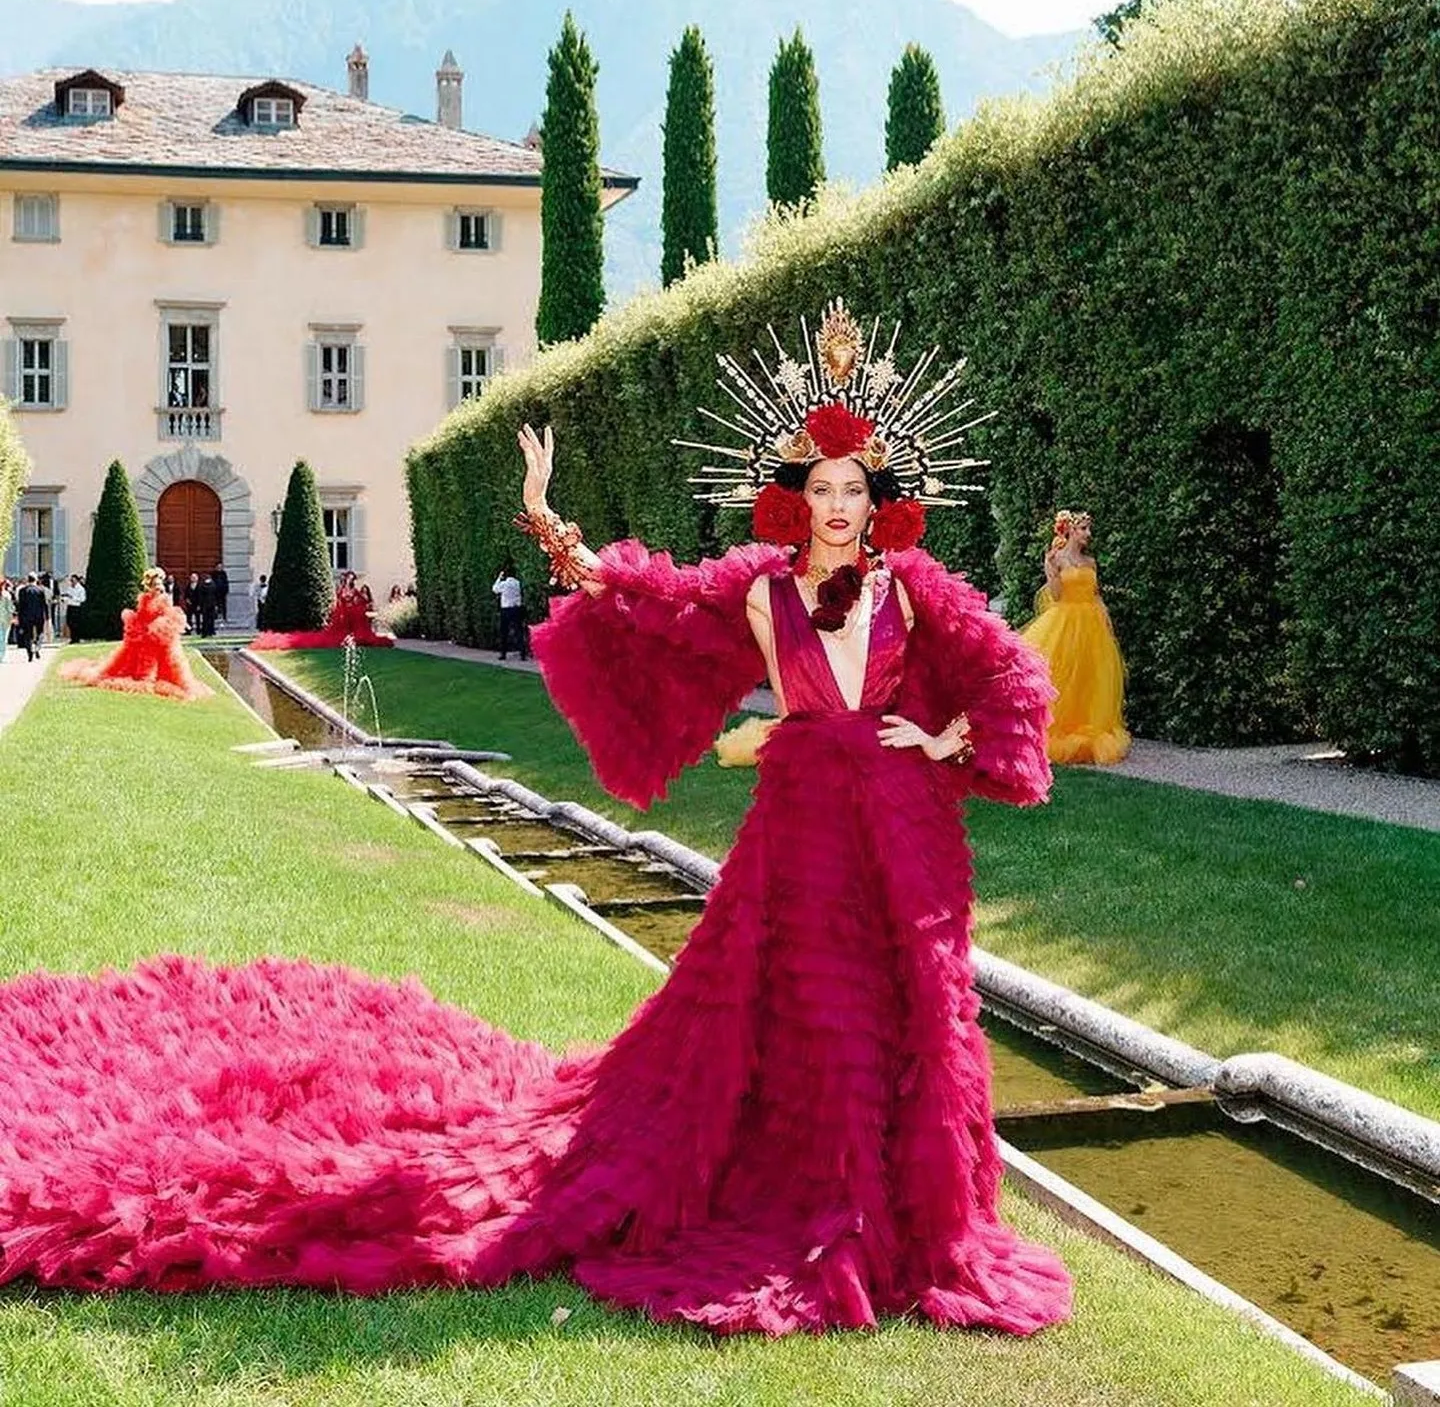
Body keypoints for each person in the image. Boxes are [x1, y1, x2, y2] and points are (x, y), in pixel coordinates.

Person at [0, 307, 1069, 1342]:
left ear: (880, 499)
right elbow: (639, 598)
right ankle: (822, 1203)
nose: (838, 506)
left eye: (855, 490)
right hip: (800, 837)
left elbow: (1014, 679)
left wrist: (946, 744)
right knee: (803, 1006)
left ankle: (921, 1219)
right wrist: (549, 516)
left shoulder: (916, 591)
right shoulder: (757, 593)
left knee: (916, 1007)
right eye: (821, 488)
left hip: (906, 831)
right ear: (794, 498)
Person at [1019, 510, 1131, 764]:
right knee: (1062, 671)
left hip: (1091, 623)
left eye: (1088, 529)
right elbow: (1057, 596)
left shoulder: (1090, 562)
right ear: (1069, 530)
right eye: (1083, 529)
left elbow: (1095, 594)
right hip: (1066, 622)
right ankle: (1055, 727)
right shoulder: (1057, 558)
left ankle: (1086, 726)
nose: (1087, 534)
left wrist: (1106, 619)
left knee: (1089, 675)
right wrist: (1050, 571)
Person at [58, 566, 211, 700]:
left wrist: (162, 625)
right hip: (144, 633)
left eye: (160, 585)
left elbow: (167, 613)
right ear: (150, 586)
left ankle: (159, 675)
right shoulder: (145, 598)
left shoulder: (165, 599)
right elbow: (143, 614)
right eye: (156, 585)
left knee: (169, 661)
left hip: (160, 635)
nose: (159, 588)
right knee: (137, 661)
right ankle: (145, 677)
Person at [250, 569, 394, 650]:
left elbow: (361, 601)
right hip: (345, 616)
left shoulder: (355, 591)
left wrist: (358, 604)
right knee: (337, 636)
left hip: (354, 616)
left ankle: (355, 637)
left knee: (361, 636)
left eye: (351, 578)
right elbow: (340, 601)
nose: (349, 580)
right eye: (348, 578)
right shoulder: (342, 590)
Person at [492, 560, 527, 660]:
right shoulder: (517, 583)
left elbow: (494, 589)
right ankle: (522, 653)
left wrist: (499, 577)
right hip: (517, 608)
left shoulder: (504, 584)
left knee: (504, 632)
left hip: (506, 610)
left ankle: (503, 653)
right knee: (518, 631)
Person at [15, 573, 48, 661]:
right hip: (38, 615)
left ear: (28, 580)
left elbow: (20, 606)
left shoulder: (22, 591)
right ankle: (37, 647)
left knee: (27, 635)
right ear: (36, 580)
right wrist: (47, 616)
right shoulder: (40, 590)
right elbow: (44, 604)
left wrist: (19, 617)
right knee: (40, 633)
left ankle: (29, 653)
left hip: (26, 616)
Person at [61, 574, 86, 644]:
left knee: (76, 624)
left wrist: (73, 598)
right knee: (69, 622)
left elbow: (83, 599)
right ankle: (72, 638)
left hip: (76, 607)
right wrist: (64, 599)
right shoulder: (70, 588)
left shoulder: (81, 589)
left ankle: (77, 638)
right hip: (70, 607)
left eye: (73, 580)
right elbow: (67, 596)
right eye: (71, 580)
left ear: (77, 580)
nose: (72, 582)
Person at [0, 578, 13, 662]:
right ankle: (1, 656)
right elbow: (9, 609)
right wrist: (12, 617)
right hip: (5, 619)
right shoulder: (6, 595)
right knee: (4, 639)